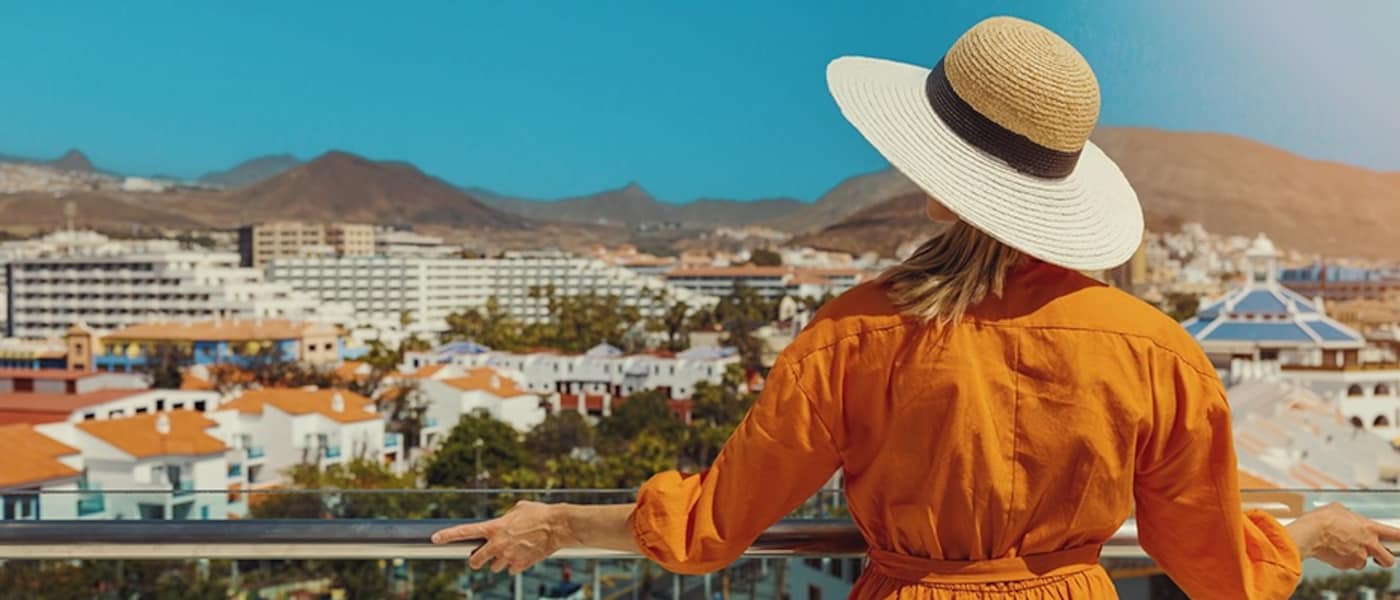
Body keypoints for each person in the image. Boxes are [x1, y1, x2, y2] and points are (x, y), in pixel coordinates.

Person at [434, 15, 1400, 599]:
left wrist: (559, 522)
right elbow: (1211, 563)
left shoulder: (855, 334)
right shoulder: (1153, 352)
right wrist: (1308, 536)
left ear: (937, 184)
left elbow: (712, 530)